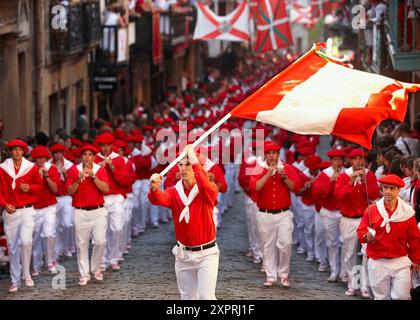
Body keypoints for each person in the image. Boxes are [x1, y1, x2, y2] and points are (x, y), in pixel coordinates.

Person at [149, 145, 219, 300]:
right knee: (187, 298)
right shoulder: (175, 191)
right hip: (183, 254)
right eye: (180, 164)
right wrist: (154, 188)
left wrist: (194, 159)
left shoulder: (208, 189)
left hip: (206, 254)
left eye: (188, 164)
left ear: (196, 166)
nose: (183, 168)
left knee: (206, 297)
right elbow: (160, 199)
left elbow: (205, 186)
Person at [357, 174, 420, 300]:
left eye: (392, 188)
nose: (388, 191)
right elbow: (361, 231)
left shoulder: (407, 213)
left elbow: (414, 238)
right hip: (377, 261)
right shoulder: (372, 210)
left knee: (402, 296)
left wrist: (417, 260)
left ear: (398, 190)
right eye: (385, 188)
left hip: (400, 261)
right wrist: (366, 237)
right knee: (381, 297)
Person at [249, 140, 300, 287]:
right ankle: (271, 275)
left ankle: (283, 274)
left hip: (283, 213)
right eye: (269, 153)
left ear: (278, 154)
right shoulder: (258, 168)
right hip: (264, 213)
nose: (272, 156)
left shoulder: (287, 168)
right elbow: (255, 187)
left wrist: (284, 177)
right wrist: (267, 174)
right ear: (264, 155)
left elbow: (296, 188)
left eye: (274, 153)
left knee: (286, 243)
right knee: (268, 245)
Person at [335, 148, 380, 296]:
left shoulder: (371, 176)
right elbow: (339, 196)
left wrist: (365, 181)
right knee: (349, 254)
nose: (359, 162)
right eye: (355, 159)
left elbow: (374, 195)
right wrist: (351, 182)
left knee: (367, 253)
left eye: (361, 159)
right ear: (351, 161)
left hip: (366, 220)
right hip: (348, 219)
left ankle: (365, 286)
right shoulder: (344, 176)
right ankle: (352, 284)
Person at [0, 139, 43, 293]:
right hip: (10, 211)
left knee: (26, 242)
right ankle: (14, 280)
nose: (17, 152)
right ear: (10, 152)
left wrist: (30, 187)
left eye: (20, 149)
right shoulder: (3, 168)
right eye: (14, 150)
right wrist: (5, 204)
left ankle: (26, 274)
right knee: (12, 247)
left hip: (27, 210)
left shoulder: (30, 168)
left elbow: (39, 186)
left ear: (24, 151)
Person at [66, 144, 110, 286]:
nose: (87, 157)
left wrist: (93, 176)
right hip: (81, 211)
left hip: (98, 211)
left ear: (94, 157)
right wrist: (78, 180)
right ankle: (84, 274)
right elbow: (69, 191)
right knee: (81, 244)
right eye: (84, 154)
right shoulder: (74, 170)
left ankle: (96, 269)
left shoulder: (100, 170)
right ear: (81, 156)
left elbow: (106, 189)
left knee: (100, 241)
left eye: (90, 155)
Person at [94, 132, 131, 271]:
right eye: (102, 146)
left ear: (111, 145)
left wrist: (113, 167)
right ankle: (102, 260)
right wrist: (100, 166)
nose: (105, 149)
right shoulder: (94, 158)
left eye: (107, 146)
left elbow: (124, 180)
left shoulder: (119, 159)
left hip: (116, 197)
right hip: (101, 197)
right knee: (102, 231)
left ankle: (114, 257)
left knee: (117, 228)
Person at [312, 149, 346, 282]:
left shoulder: (347, 173)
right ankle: (334, 270)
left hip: (343, 211)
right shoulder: (324, 175)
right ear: (331, 161)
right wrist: (331, 181)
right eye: (335, 159)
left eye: (340, 159)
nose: (338, 162)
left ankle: (344, 272)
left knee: (344, 242)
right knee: (332, 242)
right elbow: (319, 195)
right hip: (329, 212)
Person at [30, 146, 61, 276]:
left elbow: (55, 190)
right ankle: (36, 265)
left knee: (49, 234)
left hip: (49, 207)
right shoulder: (30, 169)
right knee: (35, 237)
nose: (41, 160)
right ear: (34, 159)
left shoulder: (51, 169)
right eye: (38, 158)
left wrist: (47, 177)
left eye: (43, 157)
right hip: (35, 208)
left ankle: (50, 261)